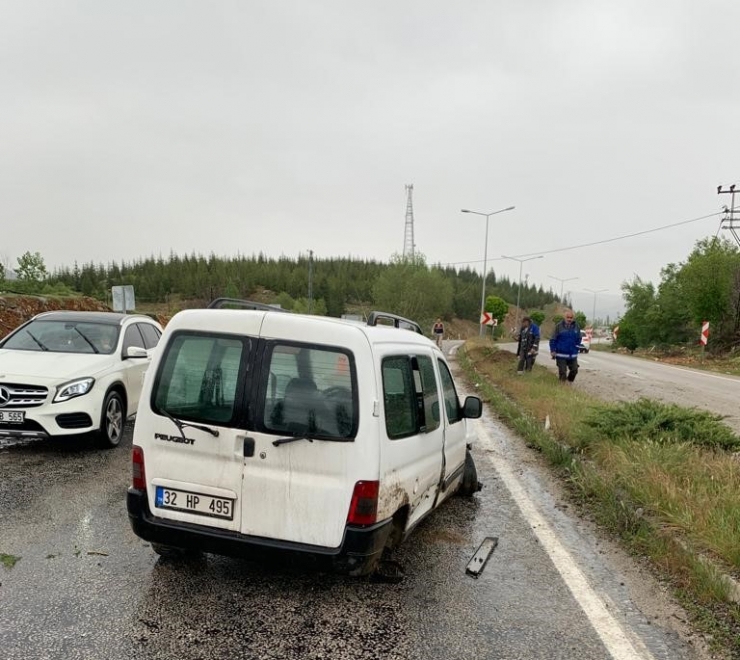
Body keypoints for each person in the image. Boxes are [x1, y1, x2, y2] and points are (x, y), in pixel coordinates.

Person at [549, 310, 581, 383]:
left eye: (571, 317)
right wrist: (553, 350)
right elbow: (553, 339)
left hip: (572, 354)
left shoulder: (577, 327)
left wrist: (576, 346)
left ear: (573, 318)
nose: (569, 319)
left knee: (574, 370)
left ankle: (569, 382)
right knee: (563, 372)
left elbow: (579, 338)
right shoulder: (558, 326)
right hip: (561, 354)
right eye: (568, 317)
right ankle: (562, 386)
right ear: (564, 317)